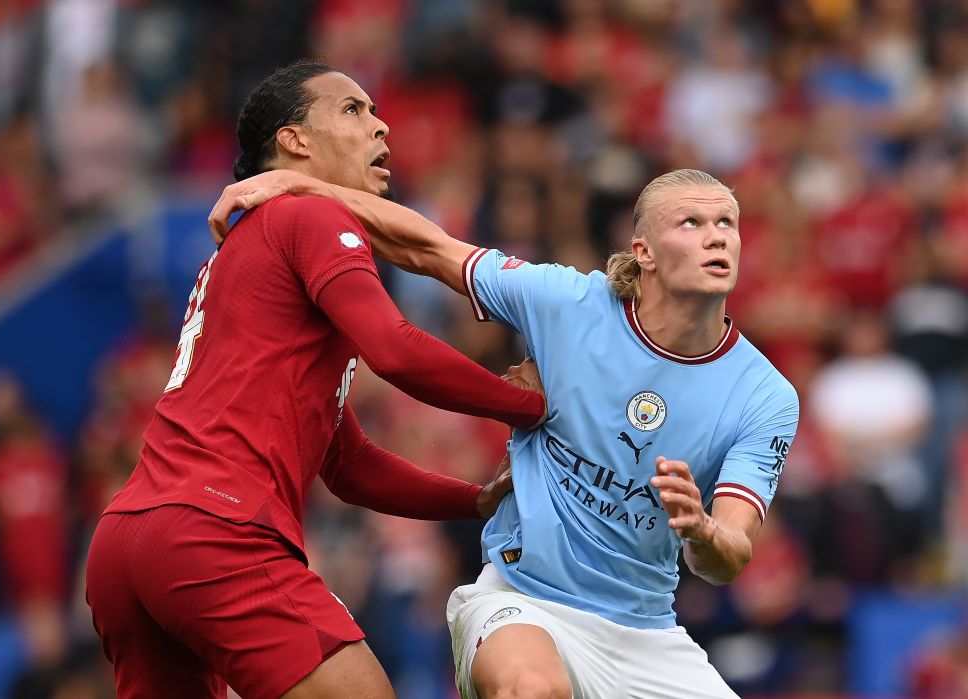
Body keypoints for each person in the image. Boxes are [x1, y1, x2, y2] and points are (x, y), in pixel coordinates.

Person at [210, 167, 800, 698]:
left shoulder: (764, 396)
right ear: (644, 251)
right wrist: (302, 187)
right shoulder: (568, 303)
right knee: (530, 689)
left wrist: (699, 531)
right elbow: (426, 247)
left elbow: (730, 556)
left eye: (726, 222)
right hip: (523, 602)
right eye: (691, 222)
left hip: (646, 633)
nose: (716, 235)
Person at [85, 60, 549, 699]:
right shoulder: (308, 219)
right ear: (294, 141)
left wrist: (471, 499)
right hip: (215, 529)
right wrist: (528, 405)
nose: (381, 124)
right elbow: (395, 350)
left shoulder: (242, 249)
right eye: (353, 110)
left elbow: (346, 461)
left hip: (127, 541)